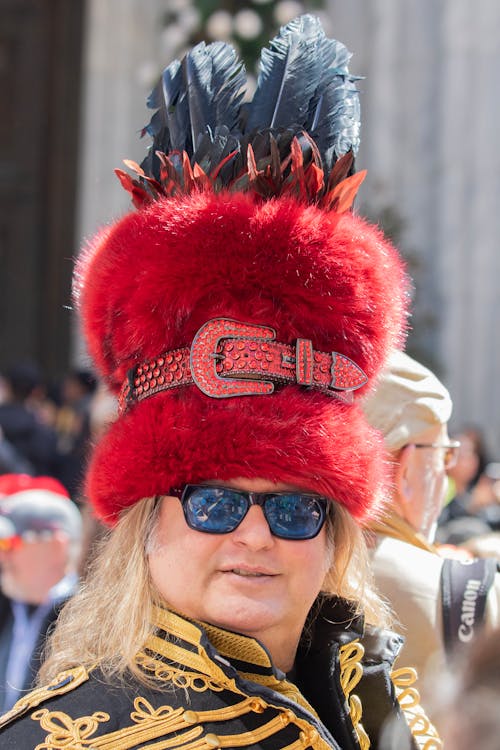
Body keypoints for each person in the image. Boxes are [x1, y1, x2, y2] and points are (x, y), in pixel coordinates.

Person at [0, 16, 440, 749]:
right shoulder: (60, 737)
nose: (256, 535)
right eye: (213, 503)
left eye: (297, 509)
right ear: (148, 524)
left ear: (335, 534)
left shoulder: (377, 699)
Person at [363, 350, 500, 679]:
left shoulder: (280, 571)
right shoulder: (470, 594)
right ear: (406, 471)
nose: (446, 472)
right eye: (443, 455)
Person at [0, 485, 82, 712]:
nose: (2, 555)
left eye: (8, 543)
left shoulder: (87, 616)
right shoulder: (12, 605)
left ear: (57, 544)